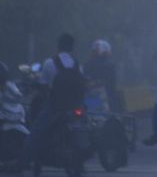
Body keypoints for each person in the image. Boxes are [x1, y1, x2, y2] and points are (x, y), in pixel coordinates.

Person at [25, 33, 86, 162]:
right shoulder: (77, 64)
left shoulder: (49, 63)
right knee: (84, 126)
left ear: (58, 46)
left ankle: (23, 161)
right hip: (75, 107)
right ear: (72, 48)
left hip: (55, 107)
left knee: (35, 131)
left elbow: (43, 85)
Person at [84, 39, 121, 112]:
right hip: (106, 101)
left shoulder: (87, 64)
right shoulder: (110, 65)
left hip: (89, 99)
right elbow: (112, 86)